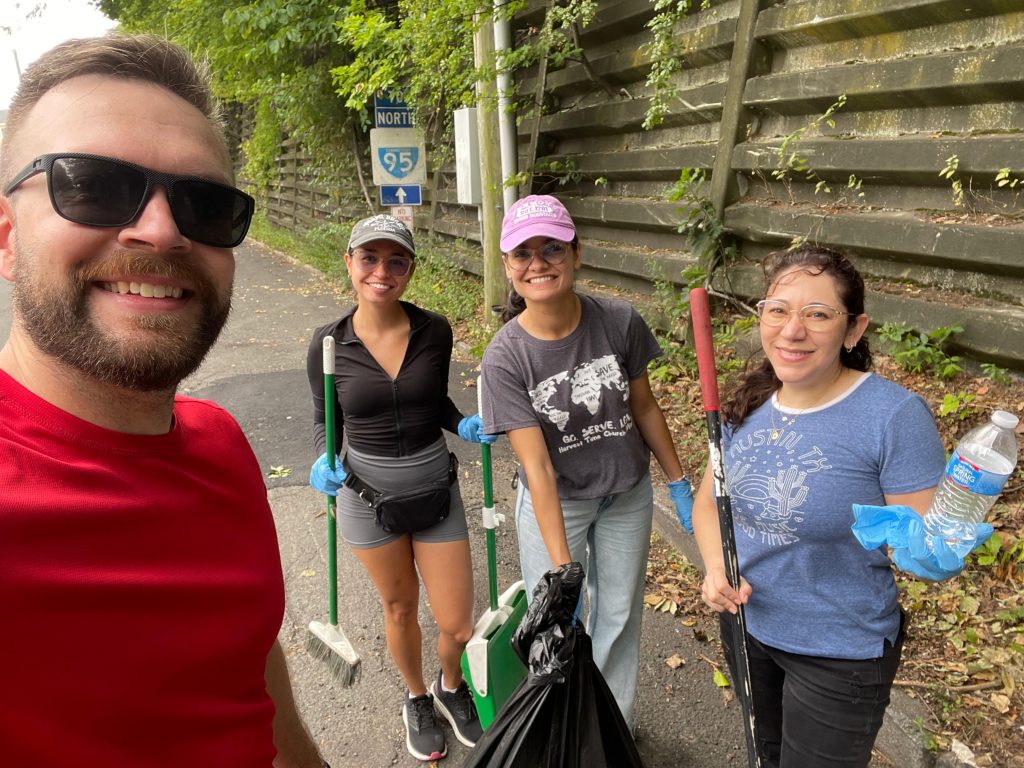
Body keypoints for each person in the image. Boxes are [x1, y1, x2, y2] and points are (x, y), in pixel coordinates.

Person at [0, 35, 324, 768]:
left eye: (204, 204)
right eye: (92, 186)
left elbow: (245, 661)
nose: (162, 231)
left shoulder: (221, 443)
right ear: (8, 238)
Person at [691, 245, 947, 768]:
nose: (792, 330)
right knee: (766, 756)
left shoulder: (892, 416)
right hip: (749, 627)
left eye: (818, 314)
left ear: (853, 329)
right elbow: (709, 505)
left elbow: (929, 544)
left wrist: (933, 547)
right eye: (778, 310)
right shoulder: (748, 404)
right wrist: (717, 568)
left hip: (840, 651)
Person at [479, 194, 694, 728]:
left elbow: (645, 406)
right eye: (523, 253)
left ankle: (610, 727)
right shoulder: (505, 356)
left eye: (552, 248)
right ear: (507, 266)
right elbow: (537, 467)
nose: (538, 263)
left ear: (576, 253)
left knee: (618, 615)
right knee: (558, 624)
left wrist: (679, 482)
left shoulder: (619, 320)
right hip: (558, 502)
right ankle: (564, 732)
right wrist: (561, 567)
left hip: (626, 495)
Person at [306, 214, 492, 762]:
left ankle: (450, 685)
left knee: (457, 623)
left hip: (435, 488)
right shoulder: (328, 343)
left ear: (410, 270)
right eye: (369, 258)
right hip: (365, 497)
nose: (381, 272)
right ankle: (416, 697)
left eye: (396, 261)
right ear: (349, 262)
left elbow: (436, 401)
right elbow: (324, 419)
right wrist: (322, 458)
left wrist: (461, 424)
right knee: (400, 607)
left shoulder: (435, 330)